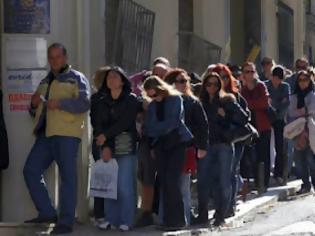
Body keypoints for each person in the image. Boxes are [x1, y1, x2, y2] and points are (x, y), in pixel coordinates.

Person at [23, 43, 90, 235]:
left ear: (65, 57)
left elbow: (84, 103)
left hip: (67, 134)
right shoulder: (45, 81)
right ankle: (47, 212)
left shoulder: (76, 78)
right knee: (30, 170)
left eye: (58, 56)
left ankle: (66, 221)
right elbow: (33, 111)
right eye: (51, 57)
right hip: (45, 135)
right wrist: (33, 104)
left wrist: (60, 103)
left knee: (67, 177)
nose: (54, 61)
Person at [90, 66, 141, 231]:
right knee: (109, 186)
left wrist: (106, 136)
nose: (111, 79)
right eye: (108, 77)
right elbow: (96, 122)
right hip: (105, 145)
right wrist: (103, 144)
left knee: (124, 186)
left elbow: (125, 122)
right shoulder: (98, 100)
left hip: (126, 146)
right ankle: (112, 219)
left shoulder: (131, 99)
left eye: (115, 76)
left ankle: (127, 220)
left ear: (122, 80)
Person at [197, 72, 248, 227]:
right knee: (203, 181)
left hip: (223, 145)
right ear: (204, 86)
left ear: (220, 86)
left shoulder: (227, 101)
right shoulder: (201, 103)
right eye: (208, 84)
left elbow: (244, 117)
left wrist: (225, 115)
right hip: (206, 145)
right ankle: (203, 214)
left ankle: (220, 215)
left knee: (223, 181)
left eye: (215, 84)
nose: (212, 87)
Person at [143, 76, 193, 230]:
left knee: (173, 181)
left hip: (176, 144)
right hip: (160, 146)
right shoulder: (152, 106)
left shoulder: (175, 99)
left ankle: (178, 220)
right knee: (164, 182)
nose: (154, 98)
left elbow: (173, 122)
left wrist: (158, 128)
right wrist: (159, 129)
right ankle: (167, 220)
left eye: (155, 94)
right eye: (150, 96)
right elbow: (149, 128)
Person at [164, 68, 209, 225]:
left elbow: (203, 126)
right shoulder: (164, 101)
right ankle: (167, 219)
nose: (184, 84)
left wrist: (202, 146)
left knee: (183, 185)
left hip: (186, 148)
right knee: (167, 186)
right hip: (167, 149)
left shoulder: (193, 103)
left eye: (185, 81)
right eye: (180, 81)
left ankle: (184, 220)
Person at [212, 64, 250, 217]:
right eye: (220, 77)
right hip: (216, 141)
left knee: (231, 172)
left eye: (226, 76)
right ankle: (220, 205)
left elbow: (245, 117)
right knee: (218, 174)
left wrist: (226, 115)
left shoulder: (236, 96)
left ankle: (229, 206)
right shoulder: (209, 97)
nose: (224, 80)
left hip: (235, 140)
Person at [241, 62, 272, 192]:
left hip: (263, 126)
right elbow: (242, 105)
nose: (249, 74)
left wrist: (250, 104)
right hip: (249, 127)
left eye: (252, 71)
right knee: (251, 155)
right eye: (247, 72)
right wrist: (252, 104)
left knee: (263, 155)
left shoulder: (260, 86)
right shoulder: (243, 89)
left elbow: (264, 103)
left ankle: (264, 182)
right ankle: (255, 181)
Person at [288, 70, 315, 194]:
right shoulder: (294, 96)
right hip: (296, 131)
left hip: (311, 130)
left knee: (311, 159)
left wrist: (302, 112)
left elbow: (311, 111)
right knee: (299, 160)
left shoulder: (312, 95)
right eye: (300, 80)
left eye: (305, 80)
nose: (303, 83)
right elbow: (291, 113)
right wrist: (302, 112)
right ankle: (305, 184)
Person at [265, 66, 290, 185]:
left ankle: (279, 173)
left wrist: (275, 107)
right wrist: (275, 105)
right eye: (275, 78)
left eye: (279, 79)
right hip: (266, 118)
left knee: (280, 146)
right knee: (265, 146)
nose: (276, 81)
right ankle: (265, 172)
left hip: (280, 118)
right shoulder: (265, 85)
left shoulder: (285, 87)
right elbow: (266, 102)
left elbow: (286, 103)